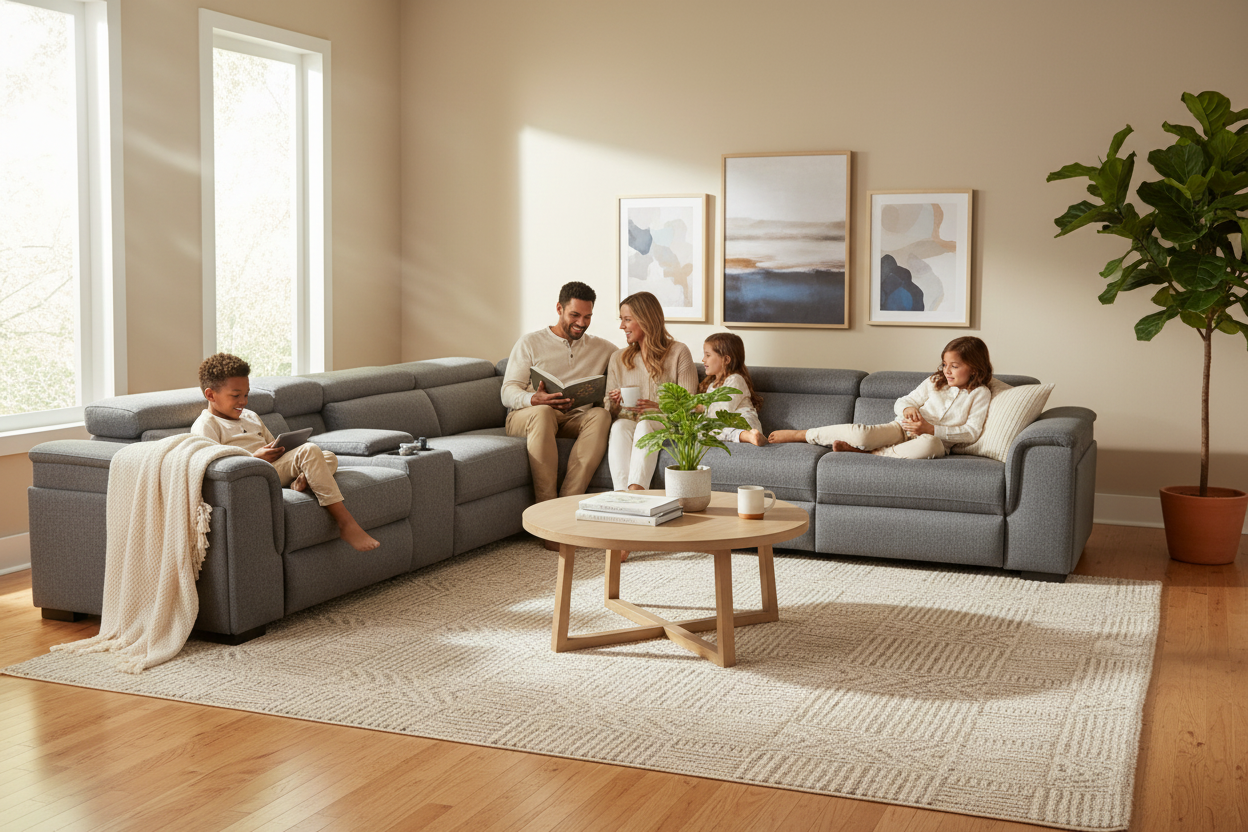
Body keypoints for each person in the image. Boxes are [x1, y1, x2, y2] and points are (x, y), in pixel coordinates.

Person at [191, 353, 380, 552]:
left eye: (246, 394)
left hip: (274, 467)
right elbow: (212, 467)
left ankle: (302, 480)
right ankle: (346, 523)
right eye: (236, 395)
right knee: (310, 452)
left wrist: (280, 448)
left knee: (328, 457)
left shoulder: (250, 416)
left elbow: (273, 444)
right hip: (253, 475)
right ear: (211, 395)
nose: (243, 401)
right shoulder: (207, 425)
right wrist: (254, 458)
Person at [768, 336, 994, 459]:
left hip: (933, 441)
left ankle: (867, 455)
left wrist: (931, 430)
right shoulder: (935, 381)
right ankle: (803, 434)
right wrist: (908, 410)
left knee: (929, 447)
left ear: (974, 368)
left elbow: (972, 431)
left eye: (954, 366)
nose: (947, 371)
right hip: (901, 428)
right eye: (945, 364)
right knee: (862, 433)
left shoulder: (980, 394)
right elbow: (905, 400)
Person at [501, 281, 616, 513]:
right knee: (543, 413)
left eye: (587, 317)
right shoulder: (530, 343)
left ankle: (567, 505)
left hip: (573, 418)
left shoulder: (602, 348)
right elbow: (508, 391)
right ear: (559, 309)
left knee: (601, 415)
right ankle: (547, 511)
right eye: (575, 315)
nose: (581, 323)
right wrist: (534, 399)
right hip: (529, 418)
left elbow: (631, 359)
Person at [605, 291, 698, 491]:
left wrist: (658, 407)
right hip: (630, 422)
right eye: (622, 320)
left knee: (646, 423)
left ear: (646, 320)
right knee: (620, 426)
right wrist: (614, 402)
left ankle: (636, 492)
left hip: (668, 424)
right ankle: (621, 494)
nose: (622, 326)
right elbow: (608, 410)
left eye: (627, 320)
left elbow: (690, 405)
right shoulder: (618, 358)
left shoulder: (678, 352)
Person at [700, 332, 767, 447]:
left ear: (726, 360)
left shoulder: (735, 380)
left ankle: (748, 436)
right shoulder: (712, 386)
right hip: (725, 425)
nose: (703, 359)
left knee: (704, 429)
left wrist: (699, 409)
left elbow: (719, 413)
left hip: (744, 425)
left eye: (708, 355)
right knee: (700, 431)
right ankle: (742, 436)